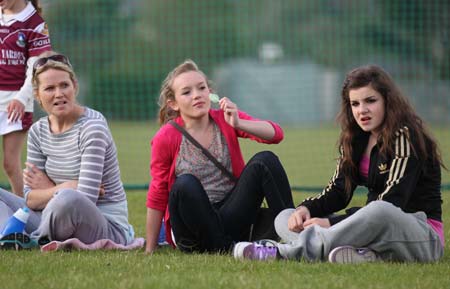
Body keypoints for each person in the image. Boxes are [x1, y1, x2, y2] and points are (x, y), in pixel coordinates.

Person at [234, 65, 445, 263]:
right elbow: (338, 192)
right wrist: (307, 209)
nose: (362, 110)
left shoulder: (406, 136)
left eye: (370, 101)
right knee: (285, 217)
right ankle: (364, 255)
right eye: (355, 104)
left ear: (387, 101)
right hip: (372, 229)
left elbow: (393, 202)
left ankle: (285, 252)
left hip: (420, 234)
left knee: (380, 210)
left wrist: (333, 224)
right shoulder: (355, 138)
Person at [145, 59, 294, 254]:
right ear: (173, 104)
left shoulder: (224, 119)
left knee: (265, 160)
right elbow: (157, 193)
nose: (197, 95)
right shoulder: (166, 137)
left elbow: (276, 134)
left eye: (201, 88)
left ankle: (295, 237)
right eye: (187, 92)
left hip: (229, 216)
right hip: (192, 229)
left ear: (210, 92)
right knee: (185, 184)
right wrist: (150, 248)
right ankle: (231, 247)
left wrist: (239, 123)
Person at [0, 51, 135, 248]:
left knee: (67, 199)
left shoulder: (93, 128)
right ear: (37, 95)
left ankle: (25, 239)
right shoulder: (38, 131)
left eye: (64, 85)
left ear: (75, 86)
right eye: (49, 88)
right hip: (52, 217)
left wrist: (52, 190)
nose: (59, 94)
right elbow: (29, 198)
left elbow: (84, 199)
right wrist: (65, 186)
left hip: (105, 225)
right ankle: (12, 236)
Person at [0, 0, 51, 196]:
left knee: (10, 164)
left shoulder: (35, 23)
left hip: (16, 102)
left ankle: (23, 210)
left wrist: (22, 98)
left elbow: (36, 67)